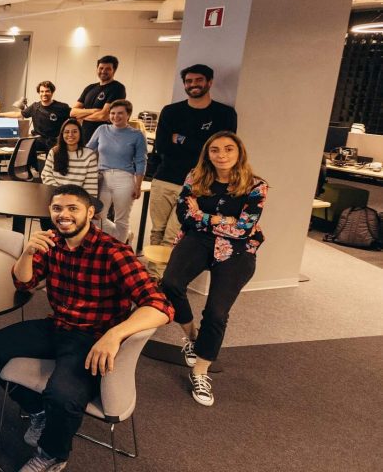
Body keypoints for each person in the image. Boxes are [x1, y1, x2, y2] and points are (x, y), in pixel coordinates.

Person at [0, 184, 173, 472]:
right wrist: (28, 252)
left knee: (63, 397)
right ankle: (37, 410)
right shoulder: (53, 243)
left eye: (72, 209)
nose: (63, 215)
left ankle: (52, 454)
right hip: (57, 326)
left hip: (92, 337)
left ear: (89, 213)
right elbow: (24, 283)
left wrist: (115, 334)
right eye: (57, 209)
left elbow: (160, 305)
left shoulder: (114, 252)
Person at [160, 132, 266, 408]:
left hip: (238, 249)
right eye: (215, 150)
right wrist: (221, 219)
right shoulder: (195, 177)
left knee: (217, 312)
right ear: (207, 154)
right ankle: (193, 337)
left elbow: (243, 228)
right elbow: (183, 216)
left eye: (229, 149)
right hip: (197, 240)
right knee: (169, 283)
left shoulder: (256, 186)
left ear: (239, 153)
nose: (222, 155)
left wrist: (202, 215)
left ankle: (200, 372)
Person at [149, 65, 238, 258]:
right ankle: (153, 274)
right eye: (189, 81)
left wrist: (181, 139)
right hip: (164, 180)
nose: (193, 84)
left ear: (209, 82)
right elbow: (162, 146)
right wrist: (201, 145)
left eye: (198, 80)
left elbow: (219, 151)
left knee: (173, 235)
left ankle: (164, 275)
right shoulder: (171, 111)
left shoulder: (224, 114)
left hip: (197, 185)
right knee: (157, 232)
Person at [87, 100, 146, 243]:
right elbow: (88, 150)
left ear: (128, 115)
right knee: (97, 217)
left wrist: (138, 185)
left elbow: (141, 161)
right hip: (102, 177)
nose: (115, 116)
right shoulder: (102, 129)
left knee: (121, 220)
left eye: (120, 113)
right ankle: (125, 236)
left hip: (124, 178)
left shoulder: (137, 135)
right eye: (112, 113)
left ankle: (119, 249)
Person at [0, 80, 72, 167]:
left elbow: (74, 117)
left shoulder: (62, 107)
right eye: (42, 91)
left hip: (54, 140)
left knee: (53, 163)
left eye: (47, 91)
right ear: (39, 93)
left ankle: (49, 171)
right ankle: (34, 168)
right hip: (38, 139)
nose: (44, 94)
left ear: (52, 92)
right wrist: (0, 114)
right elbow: (18, 114)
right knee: (25, 145)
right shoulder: (35, 106)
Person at [70, 55, 125, 140]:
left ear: (114, 71)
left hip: (105, 138)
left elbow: (104, 116)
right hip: (85, 136)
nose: (103, 71)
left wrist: (81, 116)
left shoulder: (117, 88)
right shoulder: (90, 88)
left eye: (108, 69)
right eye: (101, 68)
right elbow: (72, 112)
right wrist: (94, 111)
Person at [41, 119, 99, 197]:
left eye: (74, 131)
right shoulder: (54, 152)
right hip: (56, 195)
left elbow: (91, 186)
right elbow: (46, 175)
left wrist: (84, 202)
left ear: (80, 134)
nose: (70, 134)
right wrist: (60, 194)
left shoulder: (89, 155)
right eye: (67, 132)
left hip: (78, 198)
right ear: (62, 134)